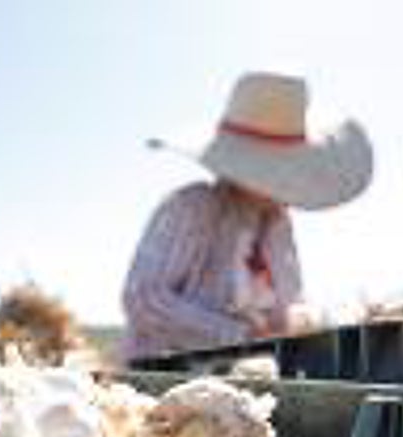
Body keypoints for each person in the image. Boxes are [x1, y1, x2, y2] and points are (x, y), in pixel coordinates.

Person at [121, 71, 374, 361]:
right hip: (167, 376)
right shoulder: (192, 207)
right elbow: (144, 298)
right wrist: (240, 337)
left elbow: (288, 303)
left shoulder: (278, 224)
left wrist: (303, 324)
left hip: (251, 377)